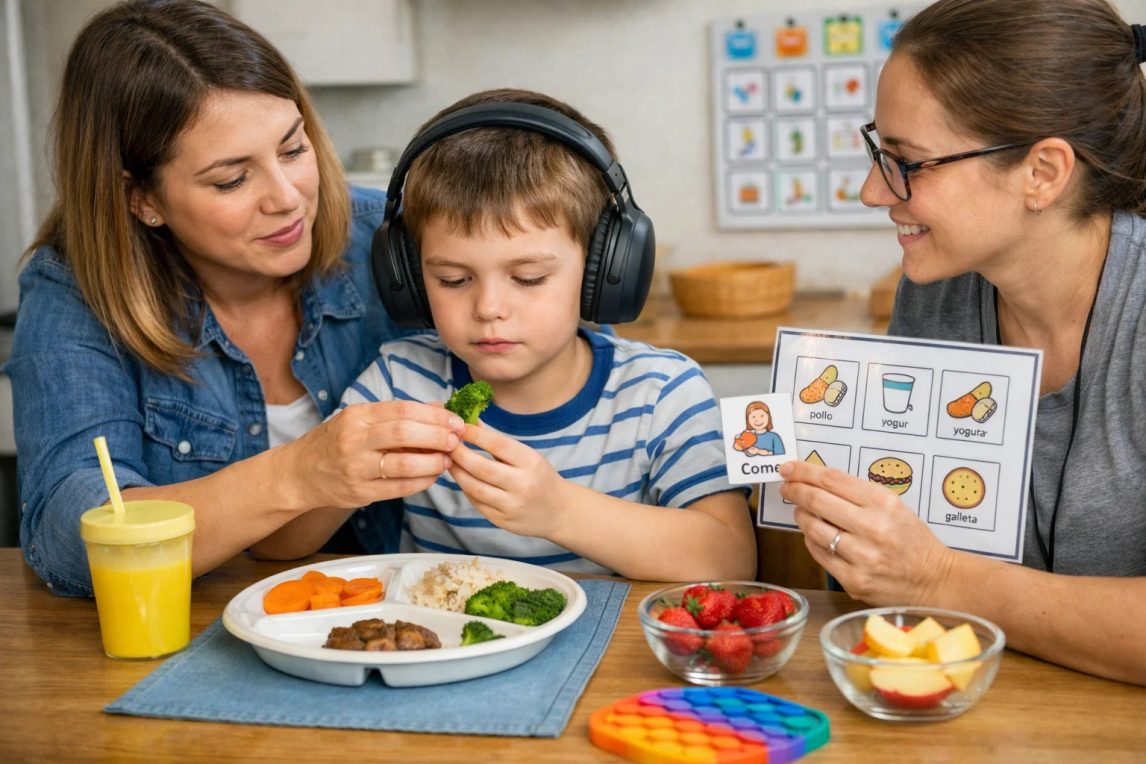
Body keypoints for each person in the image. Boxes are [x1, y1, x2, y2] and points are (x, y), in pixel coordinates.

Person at [3, 0, 463, 597]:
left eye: (293, 150)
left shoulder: (385, 237)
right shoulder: (74, 291)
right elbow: (68, 541)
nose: (287, 198)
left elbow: (579, 370)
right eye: (232, 179)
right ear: (141, 198)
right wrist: (298, 473)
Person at [779, 0, 1146, 685]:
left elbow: (933, 574)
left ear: (1043, 173)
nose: (870, 191)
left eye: (907, 162)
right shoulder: (936, 288)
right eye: (877, 151)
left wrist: (938, 576)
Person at [257, 88, 757, 581]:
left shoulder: (662, 393)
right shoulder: (400, 380)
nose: (488, 309)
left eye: (529, 278)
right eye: (452, 280)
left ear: (603, 272)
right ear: (409, 279)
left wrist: (561, 511)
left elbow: (730, 560)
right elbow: (281, 547)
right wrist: (342, 477)